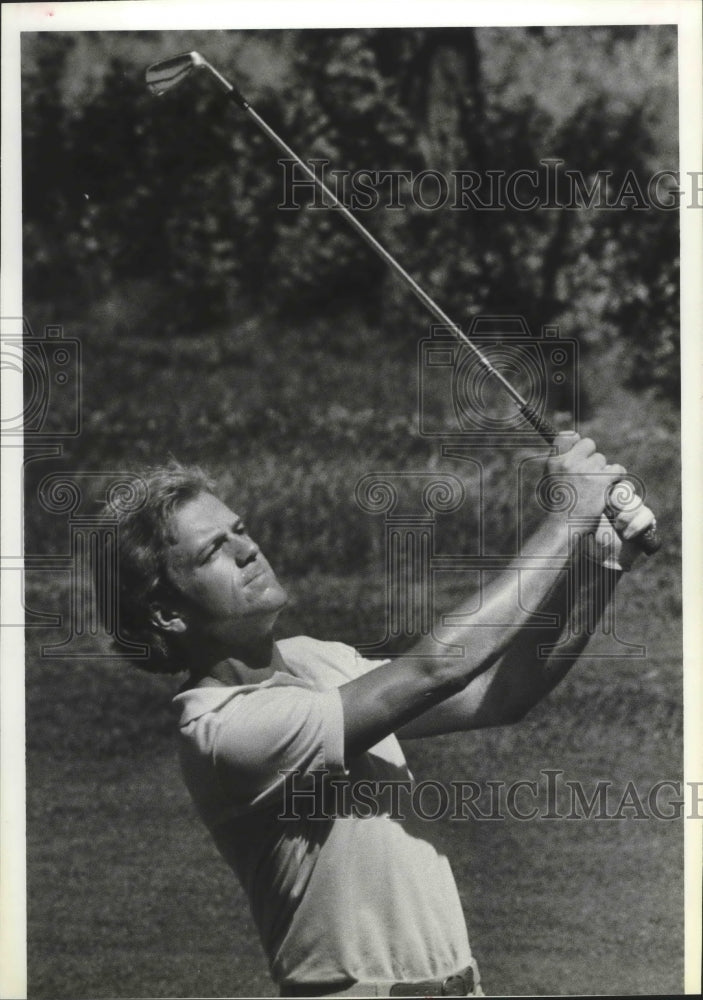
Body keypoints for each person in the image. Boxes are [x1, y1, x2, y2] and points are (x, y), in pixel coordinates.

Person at [102, 431, 654, 998]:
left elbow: (499, 691)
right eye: (211, 551)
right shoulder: (223, 732)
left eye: (238, 530)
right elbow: (437, 668)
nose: (247, 549)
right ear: (167, 614)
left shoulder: (318, 661)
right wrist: (568, 518)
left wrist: (598, 559)